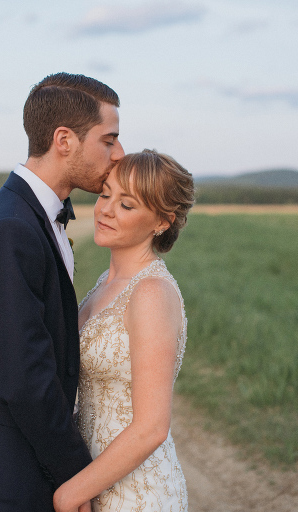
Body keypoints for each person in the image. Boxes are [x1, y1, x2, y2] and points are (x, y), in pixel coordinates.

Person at [0, 72, 124, 511]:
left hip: (17, 466)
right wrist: (77, 475)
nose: (119, 153)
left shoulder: (25, 215)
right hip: (6, 474)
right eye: (109, 140)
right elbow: (24, 376)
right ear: (64, 140)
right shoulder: (11, 228)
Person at [53, 150, 194, 512]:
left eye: (126, 204)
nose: (106, 210)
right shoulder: (105, 283)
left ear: (162, 221)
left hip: (136, 494)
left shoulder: (151, 292)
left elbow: (151, 427)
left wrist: (70, 493)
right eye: (105, 195)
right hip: (96, 480)